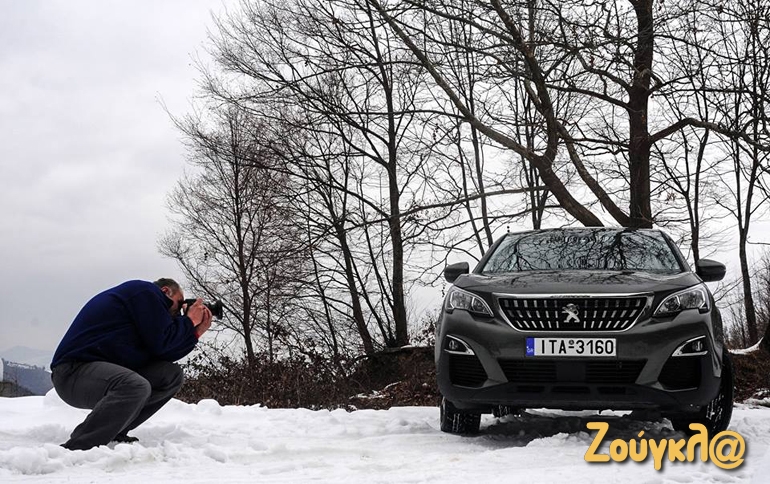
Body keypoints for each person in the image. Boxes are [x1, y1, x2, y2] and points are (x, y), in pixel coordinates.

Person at [50, 278, 212, 450]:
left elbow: (165, 352)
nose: (179, 310)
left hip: (98, 373)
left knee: (170, 376)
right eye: (179, 304)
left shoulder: (145, 316)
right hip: (72, 372)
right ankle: (81, 445)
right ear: (165, 291)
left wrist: (194, 333)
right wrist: (189, 321)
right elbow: (163, 343)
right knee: (135, 385)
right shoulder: (146, 292)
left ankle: (115, 431)